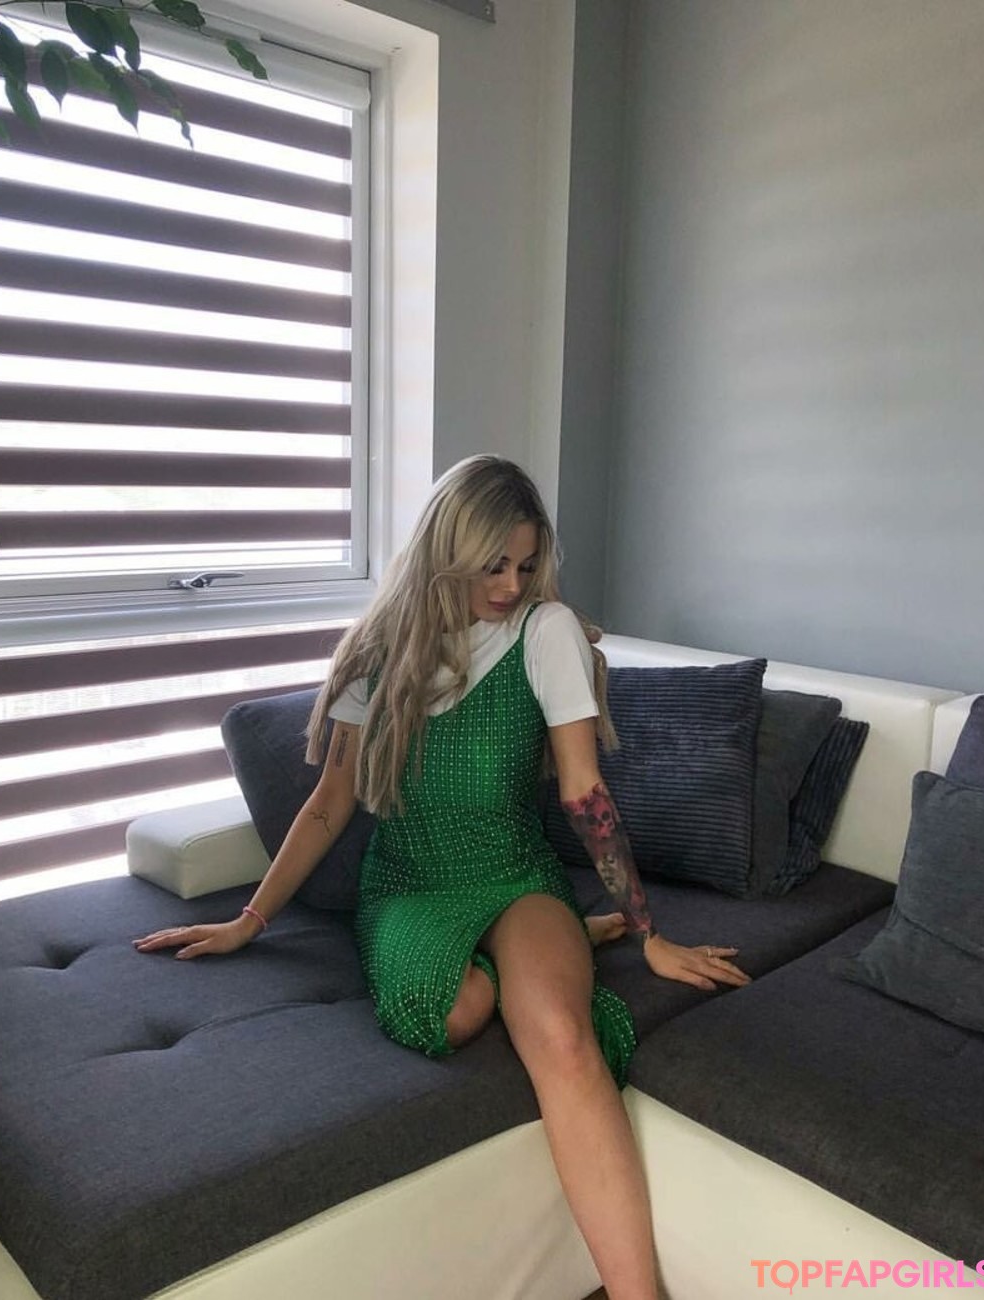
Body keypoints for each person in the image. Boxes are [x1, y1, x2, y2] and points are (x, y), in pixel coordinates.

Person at [135, 455, 749, 1300]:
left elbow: (584, 794)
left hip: (514, 872)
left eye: (525, 565)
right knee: (459, 1008)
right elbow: (329, 804)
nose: (511, 585)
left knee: (561, 1038)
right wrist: (251, 920)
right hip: (412, 883)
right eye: (492, 565)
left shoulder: (546, 631)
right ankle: (560, 943)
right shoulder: (377, 655)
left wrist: (650, 935)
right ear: (444, 552)